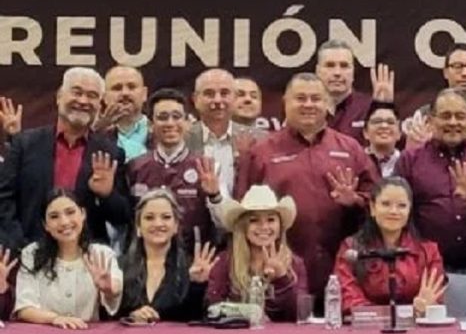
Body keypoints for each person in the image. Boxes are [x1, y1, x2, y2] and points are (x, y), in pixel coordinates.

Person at [235, 73, 378, 300]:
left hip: (344, 274)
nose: (309, 105)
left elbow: (379, 201)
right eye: (300, 98)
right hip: (280, 274)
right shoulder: (261, 152)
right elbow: (241, 214)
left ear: (327, 104)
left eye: (316, 98)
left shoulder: (350, 148)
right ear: (285, 102)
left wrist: (355, 201)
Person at [0, 67, 132, 250]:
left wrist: (107, 195)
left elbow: (123, 217)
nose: (83, 101)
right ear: (59, 96)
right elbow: (4, 200)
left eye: (92, 95)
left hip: (86, 256)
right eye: (77, 92)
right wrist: (19, 247)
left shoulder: (111, 153)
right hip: (28, 251)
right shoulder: (25, 144)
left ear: (99, 104)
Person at [395, 88, 466, 273]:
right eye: (446, 116)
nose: (453, 122)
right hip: (425, 266)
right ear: (431, 120)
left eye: (460, 116)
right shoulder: (410, 160)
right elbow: (398, 211)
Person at [335, 177, 446, 317]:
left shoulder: (429, 251)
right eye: (386, 204)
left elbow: (435, 299)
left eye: (402, 206)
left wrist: (425, 307)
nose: (394, 211)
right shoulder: (351, 248)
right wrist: (405, 313)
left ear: (409, 211)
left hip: (415, 326)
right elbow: (349, 300)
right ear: (372, 208)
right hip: (366, 327)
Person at [13, 190, 123, 329]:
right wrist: (55, 319)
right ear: (45, 224)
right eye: (54, 216)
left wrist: (108, 289)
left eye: (70, 212)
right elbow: (24, 308)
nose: (64, 222)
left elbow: (116, 288)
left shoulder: (101, 253)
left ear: (83, 214)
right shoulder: (31, 254)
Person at [128, 88, 219, 250]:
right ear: (150, 125)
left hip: (193, 257)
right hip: (145, 257)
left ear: (188, 123)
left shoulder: (207, 167)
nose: (170, 123)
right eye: (162, 117)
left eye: (176, 117)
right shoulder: (135, 167)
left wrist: (215, 196)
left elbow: (224, 222)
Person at [206, 185, 308, 322]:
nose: (264, 227)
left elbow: (300, 315)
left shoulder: (295, 263)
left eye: (271, 220)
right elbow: (212, 309)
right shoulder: (225, 261)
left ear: (280, 226)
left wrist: (281, 278)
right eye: (254, 220)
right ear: (243, 226)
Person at [117, 189, 217, 323]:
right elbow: (107, 319)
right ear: (138, 227)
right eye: (149, 218)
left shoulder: (190, 268)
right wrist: (131, 317)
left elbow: (195, 320)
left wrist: (197, 286)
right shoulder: (119, 267)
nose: (158, 224)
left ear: (176, 226)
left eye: (166, 217)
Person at [186, 68, 264, 201]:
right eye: (209, 94)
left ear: (234, 98)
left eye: (224, 93)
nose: (217, 100)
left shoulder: (259, 139)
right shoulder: (183, 138)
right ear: (195, 99)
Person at [317, 40, 395, 141]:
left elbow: (396, 145)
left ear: (353, 71)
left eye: (344, 66)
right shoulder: (308, 109)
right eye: (330, 65)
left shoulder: (370, 107)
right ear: (318, 71)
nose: (337, 73)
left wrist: (384, 110)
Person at [96, 66, 150, 161]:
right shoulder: (94, 137)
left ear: (144, 94)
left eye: (132, 87)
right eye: (117, 88)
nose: (125, 93)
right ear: (104, 97)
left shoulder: (161, 132)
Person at [363, 101, 402, 177]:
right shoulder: (357, 160)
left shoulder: (407, 163)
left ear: (399, 133)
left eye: (390, 122)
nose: (384, 126)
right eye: (377, 121)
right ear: (365, 132)